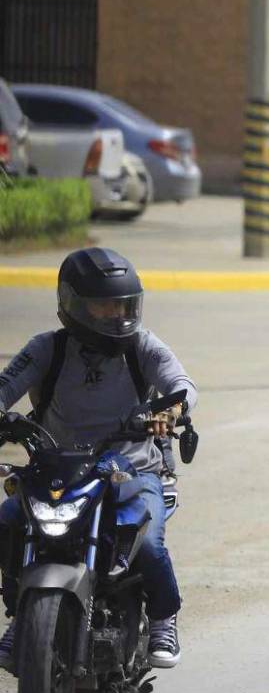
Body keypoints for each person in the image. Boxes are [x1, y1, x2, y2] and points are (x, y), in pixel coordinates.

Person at [0, 248, 197, 671]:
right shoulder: (46, 350)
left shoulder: (143, 347)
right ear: (73, 305)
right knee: (9, 520)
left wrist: (171, 411)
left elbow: (181, 384)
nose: (116, 315)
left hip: (131, 469)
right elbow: (6, 385)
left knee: (144, 543)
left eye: (124, 306)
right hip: (58, 467)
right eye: (103, 306)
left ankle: (164, 617)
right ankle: (22, 614)